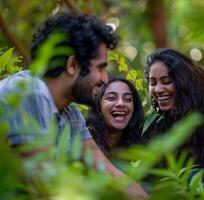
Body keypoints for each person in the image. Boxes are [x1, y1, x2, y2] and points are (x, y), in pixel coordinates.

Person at [0, 12, 147, 198]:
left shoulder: (69, 113)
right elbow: (48, 189)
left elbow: (108, 172)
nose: (105, 78)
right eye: (100, 67)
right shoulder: (29, 93)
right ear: (72, 65)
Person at [143, 48, 204, 166]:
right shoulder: (155, 124)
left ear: (184, 81)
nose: (158, 90)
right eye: (152, 83)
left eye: (166, 81)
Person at [87, 77, 144, 156]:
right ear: (98, 105)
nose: (121, 103)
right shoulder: (84, 140)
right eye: (111, 98)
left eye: (127, 99)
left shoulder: (142, 145)